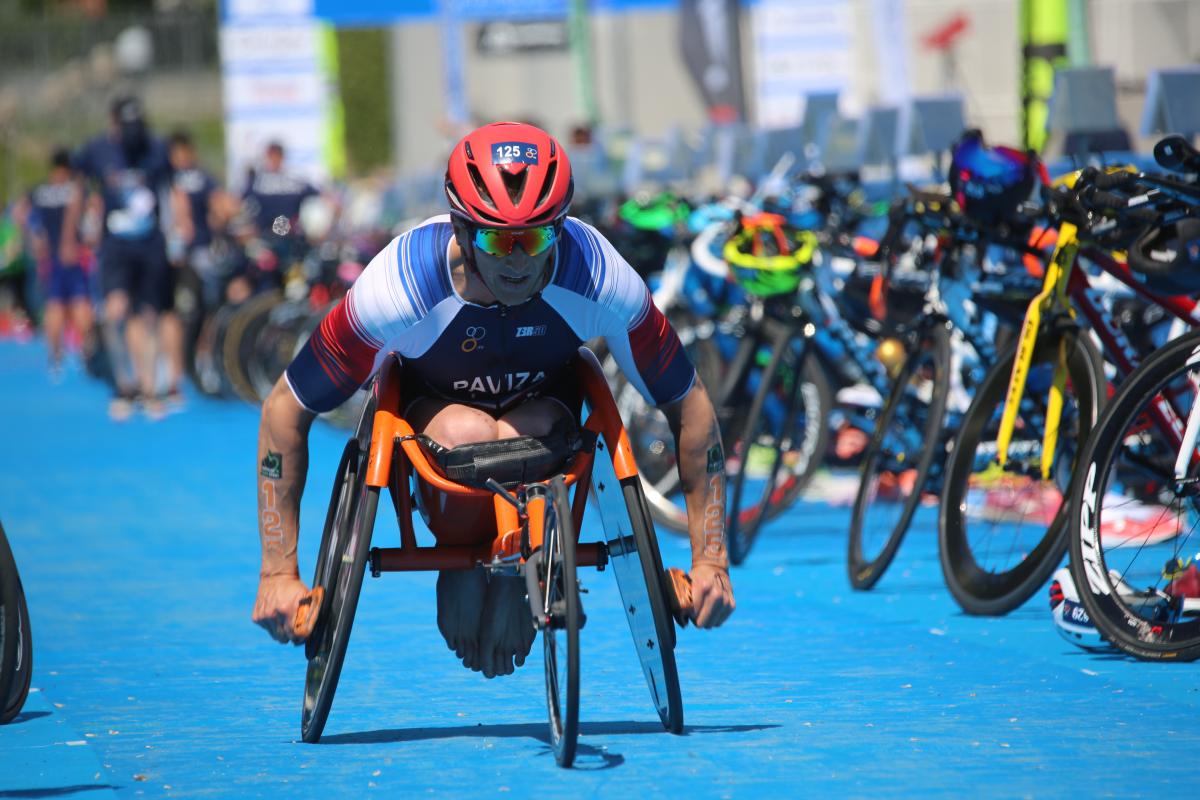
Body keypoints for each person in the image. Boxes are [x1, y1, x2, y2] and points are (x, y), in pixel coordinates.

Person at [252, 122, 736, 678]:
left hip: (543, 423)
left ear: (560, 227)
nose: (518, 261)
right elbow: (285, 410)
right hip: (439, 431)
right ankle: (465, 558)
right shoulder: (398, 288)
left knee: (521, 425)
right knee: (467, 430)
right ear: (460, 228)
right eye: (496, 239)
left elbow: (689, 401)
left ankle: (522, 559)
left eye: (534, 238)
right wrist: (277, 573)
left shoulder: (598, 276)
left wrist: (711, 560)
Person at [74, 96, 174, 419]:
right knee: (115, 311)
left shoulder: (156, 148)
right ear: (114, 124)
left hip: (150, 243)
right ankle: (123, 383)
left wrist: (176, 235)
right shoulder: (97, 151)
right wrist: (80, 227)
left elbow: (170, 192)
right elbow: (81, 187)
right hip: (115, 244)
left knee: (149, 316)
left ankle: (149, 388)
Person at [24, 149, 93, 375]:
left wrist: (37, 242)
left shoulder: (39, 193)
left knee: (54, 304)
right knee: (79, 302)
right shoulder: (76, 191)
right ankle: (86, 353)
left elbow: (28, 219)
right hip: (73, 255)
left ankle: (55, 356)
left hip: (51, 258)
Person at [241, 141, 319, 237]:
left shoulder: (294, 179)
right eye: (271, 156)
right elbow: (245, 201)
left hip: (292, 233)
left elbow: (315, 194)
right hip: (265, 233)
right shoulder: (257, 180)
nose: (274, 160)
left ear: (282, 157)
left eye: (277, 156)